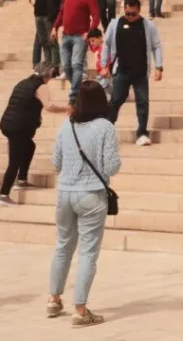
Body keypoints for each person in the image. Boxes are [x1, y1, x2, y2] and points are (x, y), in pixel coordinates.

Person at [48, 79, 121, 326]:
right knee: (88, 252)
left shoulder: (65, 126)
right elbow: (112, 166)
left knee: (62, 246)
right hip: (91, 195)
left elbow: (55, 162)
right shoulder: (105, 127)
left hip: (65, 192)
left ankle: (53, 299)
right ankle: (80, 310)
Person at [0, 64, 67, 206]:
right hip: (18, 127)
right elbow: (50, 106)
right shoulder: (40, 86)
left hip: (8, 123)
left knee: (30, 146)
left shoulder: (23, 83)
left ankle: (22, 179)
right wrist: (68, 108)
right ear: (46, 75)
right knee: (14, 161)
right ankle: (4, 194)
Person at [102, 0, 163, 147]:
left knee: (142, 102)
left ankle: (142, 132)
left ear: (139, 10)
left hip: (140, 71)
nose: (129, 17)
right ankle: (106, 131)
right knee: (116, 100)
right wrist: (104, 65)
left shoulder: (148, 25)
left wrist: (159, 67)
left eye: (133, 14)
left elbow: (157, 46)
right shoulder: (115, 24)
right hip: (121, 70)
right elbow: (106, 44)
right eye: (127, 13)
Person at [51, 0, 101, 105]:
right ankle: (79, 91)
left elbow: (96, 15)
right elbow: (61, 13)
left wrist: (90, 32)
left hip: (80, 37)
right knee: (66, 66)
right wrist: (55, 27)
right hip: (66, 35)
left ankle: (73, 97)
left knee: (77, 65)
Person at [30, 0, 65, 76]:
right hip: (38, 15)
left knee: (52, 42)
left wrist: (60, 15)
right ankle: (48, 64)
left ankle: (55, 67)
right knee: (43, 41)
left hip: (50, 15)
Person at [85, 29, 110, 99]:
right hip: (99, 72)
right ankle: (115, 96)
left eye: (93, 40)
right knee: (106, 86)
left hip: (105, 72)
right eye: (90, 41)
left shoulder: (105, 47)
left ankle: (115, 97)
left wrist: (106, 69)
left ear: (100, 38)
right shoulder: (96, 48)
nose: (91, 43)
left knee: (101, 86)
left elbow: (109, 59)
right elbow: (91, 48)